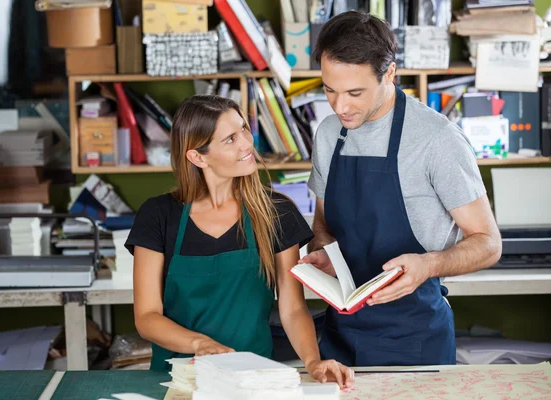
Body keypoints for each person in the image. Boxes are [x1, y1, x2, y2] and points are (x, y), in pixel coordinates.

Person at [299, 11, 502, 367]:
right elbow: (323, 226)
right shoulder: (330, 134)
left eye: (355, 92)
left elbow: (488, 243)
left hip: (415, 339)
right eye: (329, 90)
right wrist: (325, 255)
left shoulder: (437, 139)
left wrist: (429, 265)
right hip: (340, 338)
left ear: (389, 73)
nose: (340, 106)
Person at [126, 95, 353, 388]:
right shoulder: (158, 215)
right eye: (231, 139)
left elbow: (292, 308)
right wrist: (201, 344)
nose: (247, 144)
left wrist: (312, 362)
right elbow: (146, 316)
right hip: (179, 380)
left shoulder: (277, 212)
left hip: (253, 379)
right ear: (197, 157)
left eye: (244, 129)